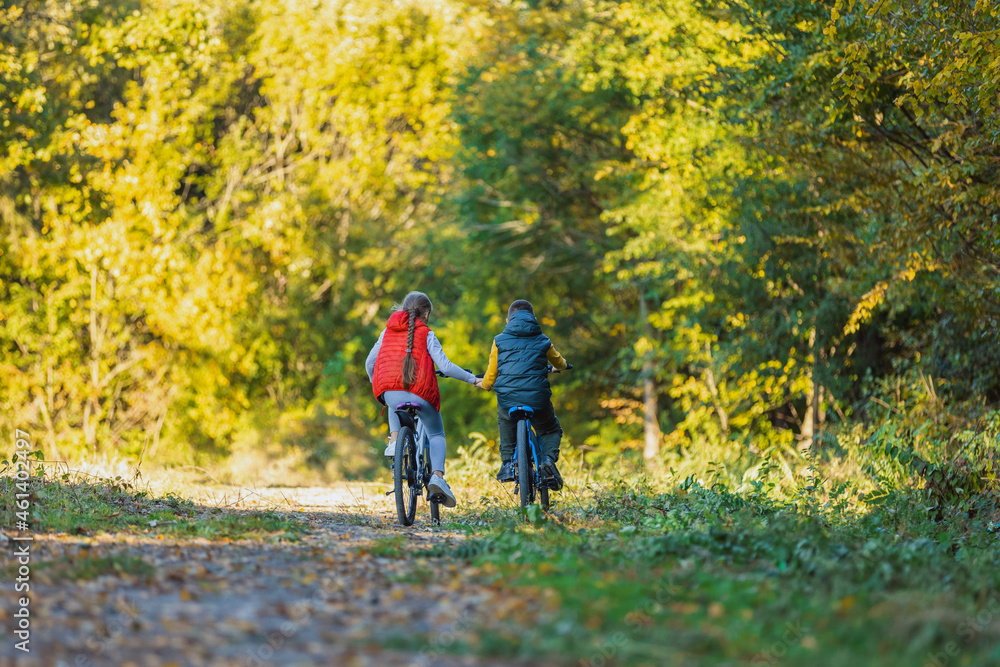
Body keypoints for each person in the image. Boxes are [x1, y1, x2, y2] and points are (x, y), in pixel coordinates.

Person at [365, 291, 478, 508]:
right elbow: (444, 366)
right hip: (421, 392)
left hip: (391, 392)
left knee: (392, 400)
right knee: (436, 433)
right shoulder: (427, 334)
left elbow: (370, 363)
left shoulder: (386, 331)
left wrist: (377, 383)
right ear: (426, 314)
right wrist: (473, 380)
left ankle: (395, 441)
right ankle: (437, 477)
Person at [477, 299, 569, 490]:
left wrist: (484, 384)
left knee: (504, 418)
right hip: (537, 399)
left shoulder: (499, 340)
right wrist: (562, 367)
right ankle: (547, 460)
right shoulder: (543, 340)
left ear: (507, 321)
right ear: (533, 318)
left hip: (508, 398)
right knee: (550, 429)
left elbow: (491, 375)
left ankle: (508, 463)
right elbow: (559, 362)